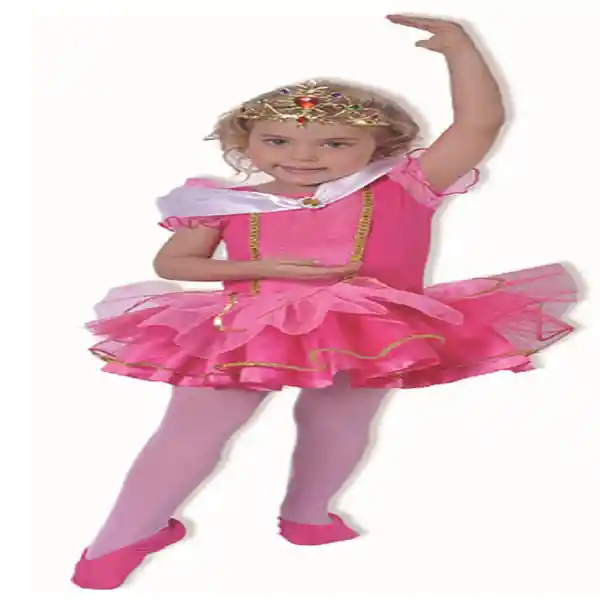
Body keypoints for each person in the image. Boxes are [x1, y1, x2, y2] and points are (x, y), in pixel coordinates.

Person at [72, 14, 577, 590]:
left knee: (337, 420)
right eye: (278, 141)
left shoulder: (402, 185)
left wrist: (460, 49)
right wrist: (266, 269)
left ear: (380, 144)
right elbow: (174, 264)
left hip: (368, 325)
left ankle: (306, 516)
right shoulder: (223, 202)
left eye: (334, 143)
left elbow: (479, 123)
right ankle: (118, 543)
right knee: (191, 430)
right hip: (247, 325)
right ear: (245, 142)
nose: (304, 156)